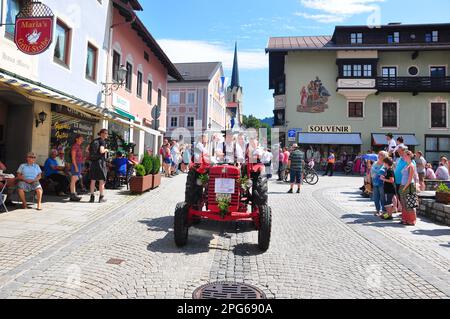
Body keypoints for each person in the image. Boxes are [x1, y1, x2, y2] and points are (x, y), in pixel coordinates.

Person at [89, 129, 109, 203]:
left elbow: (87, 150)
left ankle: (92, 197)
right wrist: (106, 150)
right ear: (102, 134)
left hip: (93, 163)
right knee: (101, 180)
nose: (107, 135)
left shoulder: (94, 141)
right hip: (100, 163)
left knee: (93, 180)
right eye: (106, 133)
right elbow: (101, 151)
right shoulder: (102, 141)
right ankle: (101, 197)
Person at [399, 151, 417, 226]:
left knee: (409, 204)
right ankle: (405, 219)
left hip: (409, 186)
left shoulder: (411, 165)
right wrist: (401, 185)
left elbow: (410, 179)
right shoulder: (406, 165)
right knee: (403, 204)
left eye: (405, 155)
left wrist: (404, 187)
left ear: (409, 156)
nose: (403, 157)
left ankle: (412, 220)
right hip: (403, 186)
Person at [371, 151, 388, 216]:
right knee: (375, 197)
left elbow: (387, 173)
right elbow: (371, 172)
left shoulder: (385, 164)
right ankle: (377, 210)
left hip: (382, 183)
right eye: (379, 154)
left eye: (380, 154)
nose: (378, 155)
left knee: (382, 197)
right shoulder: (375, 163)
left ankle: (383, 210)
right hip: (374, 182)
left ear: (384, 156)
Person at [70, 135, 85, 202]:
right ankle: (73, 194)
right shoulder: (75, 146)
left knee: (75, 179)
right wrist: (76, 167)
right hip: (75, 164)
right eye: (81, 139)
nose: (82, 140)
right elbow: (73, 158)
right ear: (76, 139)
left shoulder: (79, 146)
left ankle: (74, 194)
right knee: (74, 179)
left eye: (82, 139)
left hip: (79, 164)